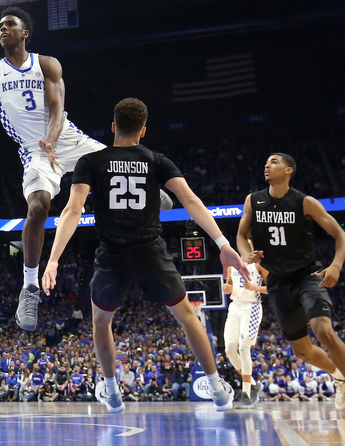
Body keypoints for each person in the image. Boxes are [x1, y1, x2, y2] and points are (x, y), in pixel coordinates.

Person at [0, 0, 170, 330]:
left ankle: (153, 195)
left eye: (8, 25)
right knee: (37, 207)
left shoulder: (47, 64)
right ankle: (30, 287)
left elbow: (57, 108)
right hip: (33, 152)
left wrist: (52, 141)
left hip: (66, 137)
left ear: (25, 33)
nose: (2, 29)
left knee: (121, 161)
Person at [42, 97, 248, 414]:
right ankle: (217, 387)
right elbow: (190, 200)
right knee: (187, 318)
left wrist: (53, 259)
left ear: (113, 127)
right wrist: (222, 243)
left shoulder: (91, 161)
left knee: (100, 322)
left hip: (112, 256)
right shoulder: (156, 160)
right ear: (143, 131)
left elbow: (72, 210)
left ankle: (111, 391)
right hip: (152, 252)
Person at [237, 153, 345, 418]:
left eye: (274, 161)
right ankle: (340, 378)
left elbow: (340, 235)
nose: (267, 165)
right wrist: (247, 252)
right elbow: (240, 234)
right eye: (266, 161)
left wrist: (336, 264)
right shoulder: (253, 200)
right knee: (301, 350)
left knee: (322, 329)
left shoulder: (304, 202)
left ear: (289, 170)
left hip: (307, 276)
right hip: (278, 282)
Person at [221, 259, 267, 407]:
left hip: (251, 306)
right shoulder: (232, 265)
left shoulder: (259, 265)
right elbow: (230, 287)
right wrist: (227, 288)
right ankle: (253, 384)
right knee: (229, 350)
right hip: (235, 307)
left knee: (244, 347)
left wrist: (254, 287)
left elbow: (273, 288)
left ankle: (246, 392)